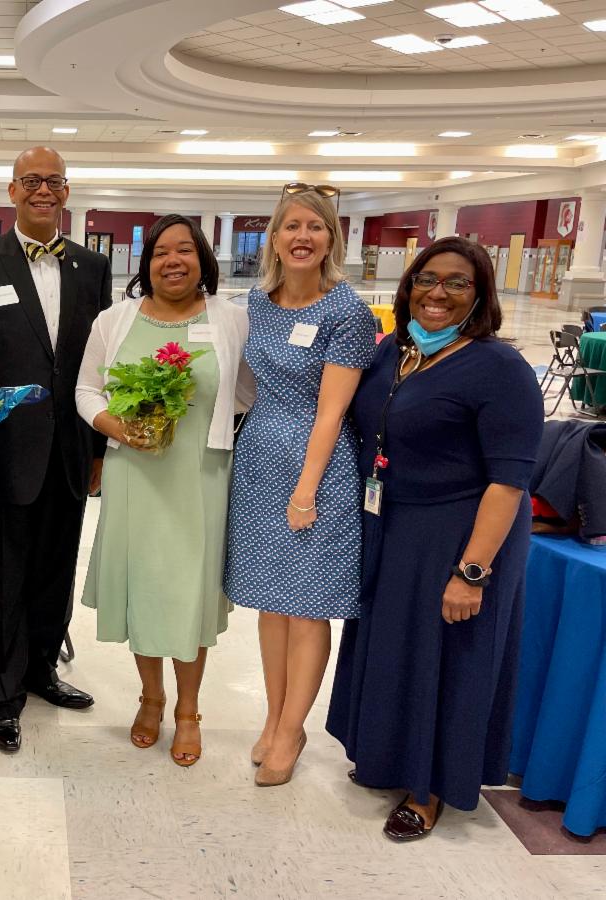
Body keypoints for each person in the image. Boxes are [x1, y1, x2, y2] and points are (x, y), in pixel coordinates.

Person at [326, 237, 544, 840]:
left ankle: (428, 790)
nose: (437, 293)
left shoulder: (499, 368)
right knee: (394, 649)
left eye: (456, 283)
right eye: (426, 279)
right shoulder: (392, 352)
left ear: (480, 295)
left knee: (446, 659)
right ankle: (386, 757)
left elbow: (509, 482)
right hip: (394, 524)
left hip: (460, 533)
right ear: (408, 286)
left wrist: (471, 572)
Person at [0, 146, 113, 752]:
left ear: (67, 191)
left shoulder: (92, 267)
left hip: (69, 452)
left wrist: (97, 451)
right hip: (1, 455)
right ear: (11, 190)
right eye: (32, 180)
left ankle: (41, 669)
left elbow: (98, 365)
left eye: (54, 181)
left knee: (54, 570)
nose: (44, 190)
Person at [76, 215, 253, 766]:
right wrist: (115, 425)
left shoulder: (232, 319)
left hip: (201, 477)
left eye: (185, 250)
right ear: (146, 262)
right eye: (160, 252)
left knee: (190, 593)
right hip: (136, 475)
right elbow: (86, 389)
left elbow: (249, 392)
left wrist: (208, 423)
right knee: (146, 589)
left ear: (203, 260)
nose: (172, 261)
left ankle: (189, 711)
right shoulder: (115, 320)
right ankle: (151, 698)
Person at [223, 184, 376, 786]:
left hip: (319, 466)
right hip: (260, 457)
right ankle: (273, 717)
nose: (302, 237)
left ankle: (292, 730)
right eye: (292, 226)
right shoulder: (256, 304)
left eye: (315, 226)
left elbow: (332, 413)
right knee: (271, 602)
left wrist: (307, 489)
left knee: (308, 608)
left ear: (331, 238)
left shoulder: (347, 312)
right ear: (275, 238)